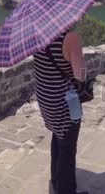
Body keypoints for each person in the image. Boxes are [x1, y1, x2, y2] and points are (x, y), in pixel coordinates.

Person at [33, 29, 86, 194]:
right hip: (64, 102)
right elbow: (81, 75)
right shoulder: (71, 38)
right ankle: (66, 190)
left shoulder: (37, 35)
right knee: (68, 148)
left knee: (58, 136)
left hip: (45, 96)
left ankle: (56, 180)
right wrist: (80, 59)